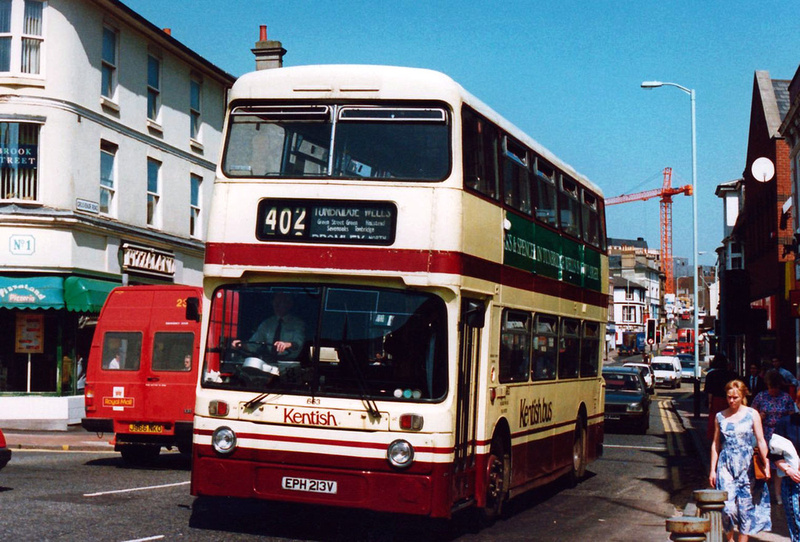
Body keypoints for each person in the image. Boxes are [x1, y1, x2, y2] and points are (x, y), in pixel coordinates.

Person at [709, 379, 771, 541]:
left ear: (743, 395)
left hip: (747, 466)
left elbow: (761, 440)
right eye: (729, 397)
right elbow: (716, 444)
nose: (731, 400)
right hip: (726, 465)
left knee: (745, 509)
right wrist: (712, 470)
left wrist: (767, 464)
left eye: (735, 397)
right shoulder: (720, 416)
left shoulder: (752, 414)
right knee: (727, 509)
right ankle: (729, 539)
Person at [752, 369, 795, 504]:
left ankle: (778, 495)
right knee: (764, 464)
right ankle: (762, 494)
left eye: (775, 387)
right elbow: (751, 415)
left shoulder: (785, 398)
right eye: (771, 387)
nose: (773, 390)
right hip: (764, 434)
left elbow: (792, 415)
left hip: (780, 436)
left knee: (778, 466)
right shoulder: (761, 397)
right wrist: (760, 416)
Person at [232, 292, 306, 361]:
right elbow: (253, 345)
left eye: (281, 302)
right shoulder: (267, 324)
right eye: (275, 302)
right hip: (269, 363)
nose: (277, 305)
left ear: (289, 304)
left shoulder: (298, 324)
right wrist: (241, 344)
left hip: (290, 365)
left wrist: (286, 344)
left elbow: (298, 343)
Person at [770, 389, 800, 542]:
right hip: (792, 479)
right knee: (796, 522)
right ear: (797, 403)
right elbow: (775, 454)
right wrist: (788, 469)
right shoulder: (785, 423)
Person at [705, 354, 739, 439]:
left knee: (716, 420)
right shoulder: (733, 375)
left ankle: (716, 439)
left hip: (716, 401)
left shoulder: (711, 375)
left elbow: (710, 392)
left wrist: (710, 403)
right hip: (730, 400)